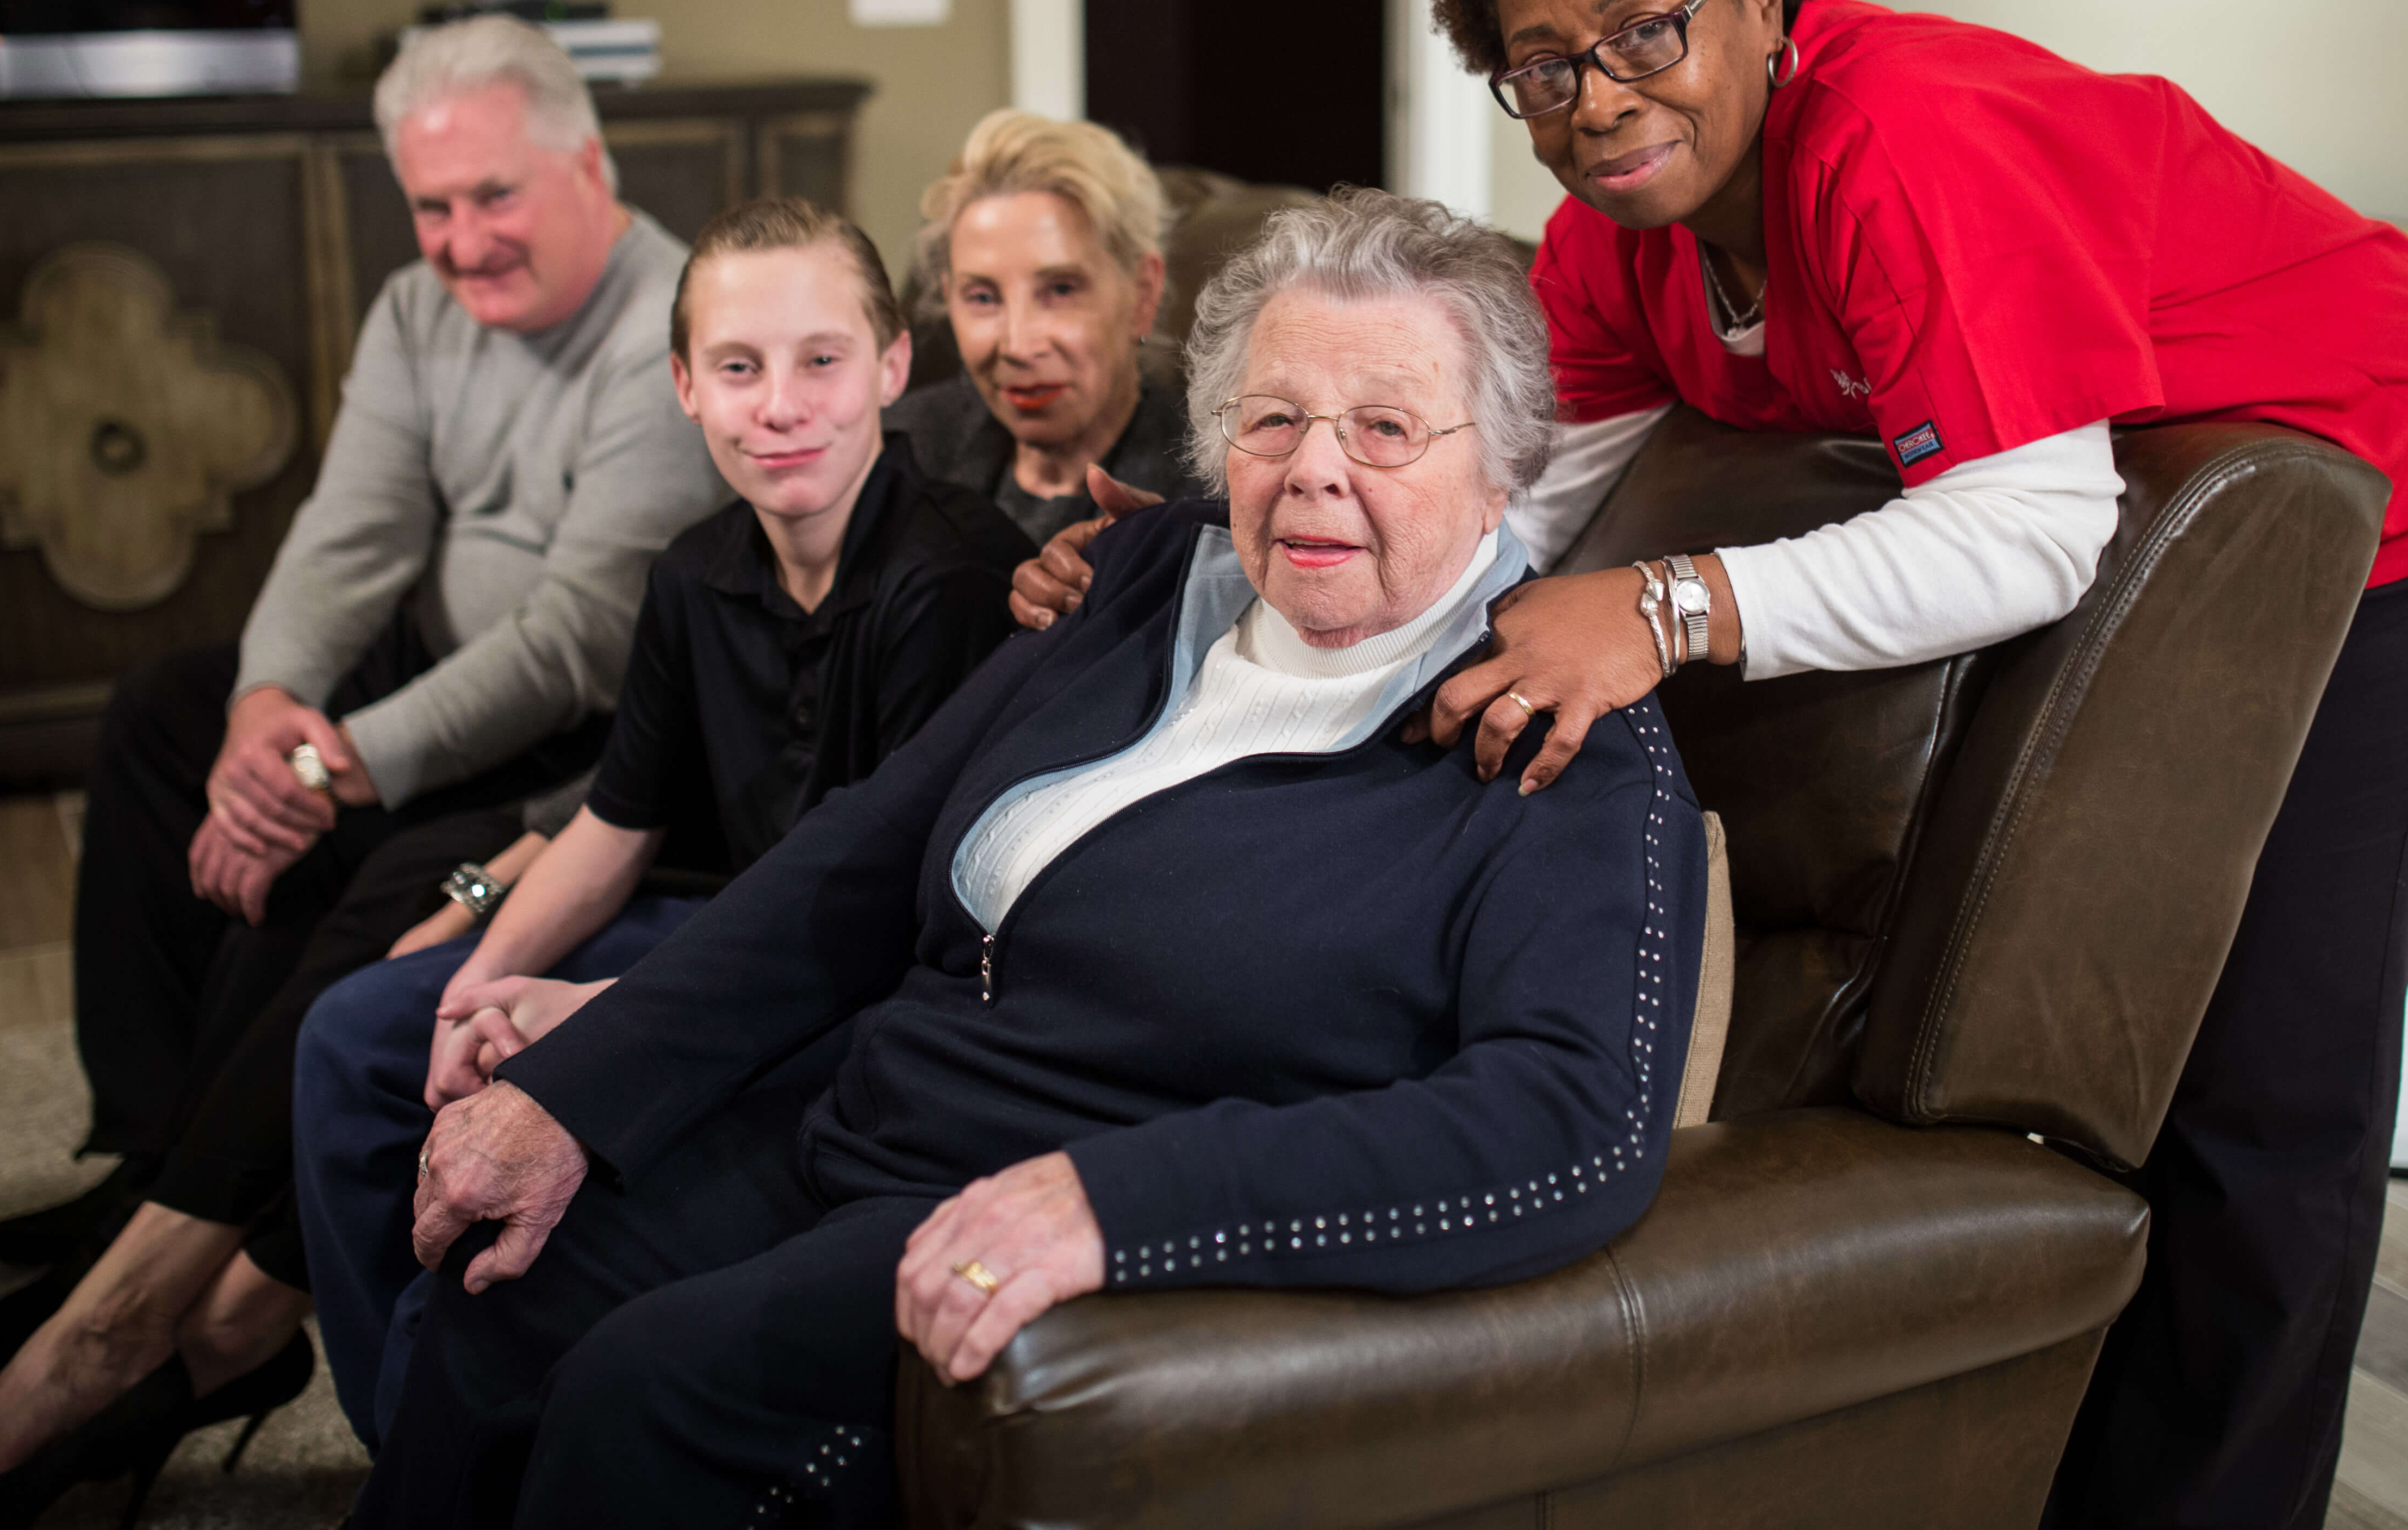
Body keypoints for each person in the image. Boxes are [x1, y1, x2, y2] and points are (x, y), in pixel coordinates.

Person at [1014, 0, 2408, 1530]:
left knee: (2263, 1082)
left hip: (2386, 483)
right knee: (2130, 1068)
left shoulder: (1905, 144)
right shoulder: (1612, 248)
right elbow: (1517, 512)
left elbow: (2026, 531)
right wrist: (1226, 562)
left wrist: (1665, 612)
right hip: (2134, 497)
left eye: (1644, 28)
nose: (1597, 97)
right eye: (1544, 65)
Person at [344, 192, 1701, 1529]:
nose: (1315, 470)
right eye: (1272, 418)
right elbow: (866, 854)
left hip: (1061, 1191)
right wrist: (578, 1092)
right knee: (497, 1299)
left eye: (1388, 428)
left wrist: (1114, 1205)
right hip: (863, 1112)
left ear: (1505, 461)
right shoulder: (1149, 575)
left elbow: (1566, 1123)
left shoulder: (1560, 739)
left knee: (645, 1401)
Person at [0, 17, 727, 1529]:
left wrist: (337, 770)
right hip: (414, 682)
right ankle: (140, 1152)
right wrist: (269, 717)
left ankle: (148, 1288)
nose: (460, 241)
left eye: (494, 198)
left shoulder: (671, 323)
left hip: (572, 732)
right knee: (166, 715)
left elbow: (579, 641)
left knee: (367, 894)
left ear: (591, 164)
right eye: (432, 207)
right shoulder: (413, 308)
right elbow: (348, 533)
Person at [291, 195, 1032, 1450]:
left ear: (893, 369)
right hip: (719, 927)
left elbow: (880, 921)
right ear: (685, 385)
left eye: (821, 363)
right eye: (737, 368)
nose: (780, 406)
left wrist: (605, 1012)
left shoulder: (949, 579)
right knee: (357, 1035)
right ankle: (404, 1439)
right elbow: (614, 824)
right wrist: (482, 976)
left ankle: (458, 1432)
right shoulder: (694, 572)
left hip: (853, 987)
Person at [882, 108, 1196, 543]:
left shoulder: (1209, 494)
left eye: (1062, 290)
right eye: (983, 298)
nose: (1017, 345)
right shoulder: (896, 452)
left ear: (1143, 295)